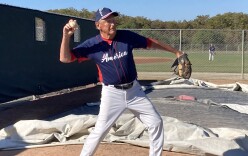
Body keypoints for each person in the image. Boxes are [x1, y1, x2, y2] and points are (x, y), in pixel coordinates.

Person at [60, 7, 185, 156]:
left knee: (156, 123)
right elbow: (65, 58)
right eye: (107, 21)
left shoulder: (126, 37)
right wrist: (66, 36)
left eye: (113, 20)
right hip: (111, 94)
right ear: (98, 25)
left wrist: (176, 52)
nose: (112, 23)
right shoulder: (92, 45)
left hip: (135, 91)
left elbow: (151, 42)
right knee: (99, 132)